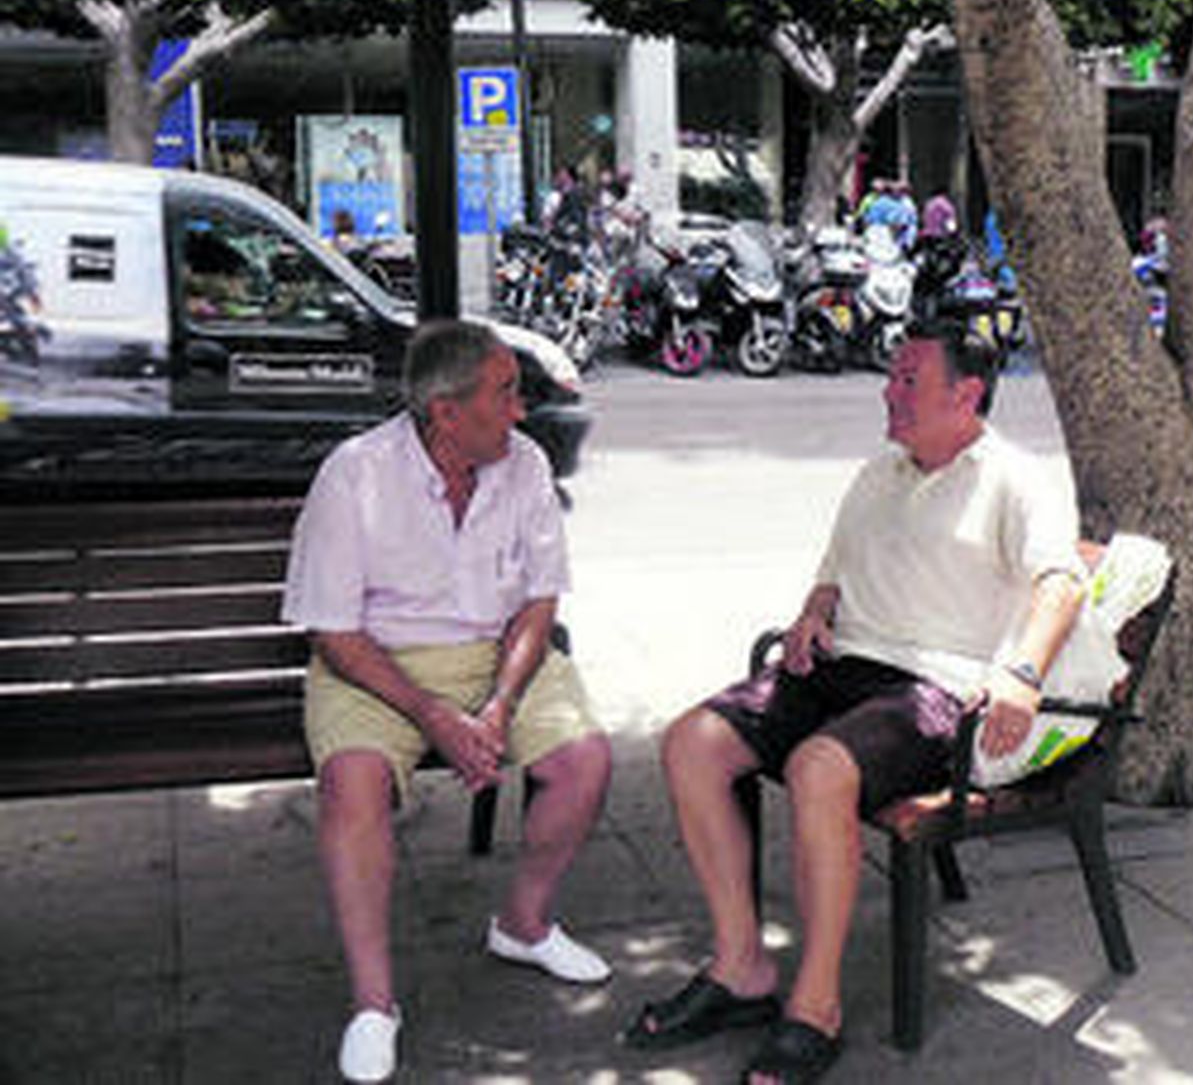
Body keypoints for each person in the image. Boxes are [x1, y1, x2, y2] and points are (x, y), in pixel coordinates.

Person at [623, 319, 1090, 1084]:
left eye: (909, 378)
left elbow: (1061, 581)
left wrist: (1024, 671)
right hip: (842, 667)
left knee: (819, 769)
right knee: (691, 743)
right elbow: (833, 574)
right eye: (892, 374)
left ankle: (817, 1007)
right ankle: (741, 965)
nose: (888, 389)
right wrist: (812, 612)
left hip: (935, 689)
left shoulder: (1014, 479)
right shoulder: (881, 472)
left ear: (966, 394)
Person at [283, 320, 613, 1083]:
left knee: (585, 760)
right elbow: (334, 631)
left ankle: (524, 921)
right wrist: (434, 716)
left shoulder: (523, 464)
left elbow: (539, 601)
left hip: (497, 658)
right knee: (351, 789)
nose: (521, 410)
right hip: (374, 664)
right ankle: (374, 1002)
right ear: (446, 412)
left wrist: (498, 704)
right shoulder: (355, 474)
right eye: (505, 393)